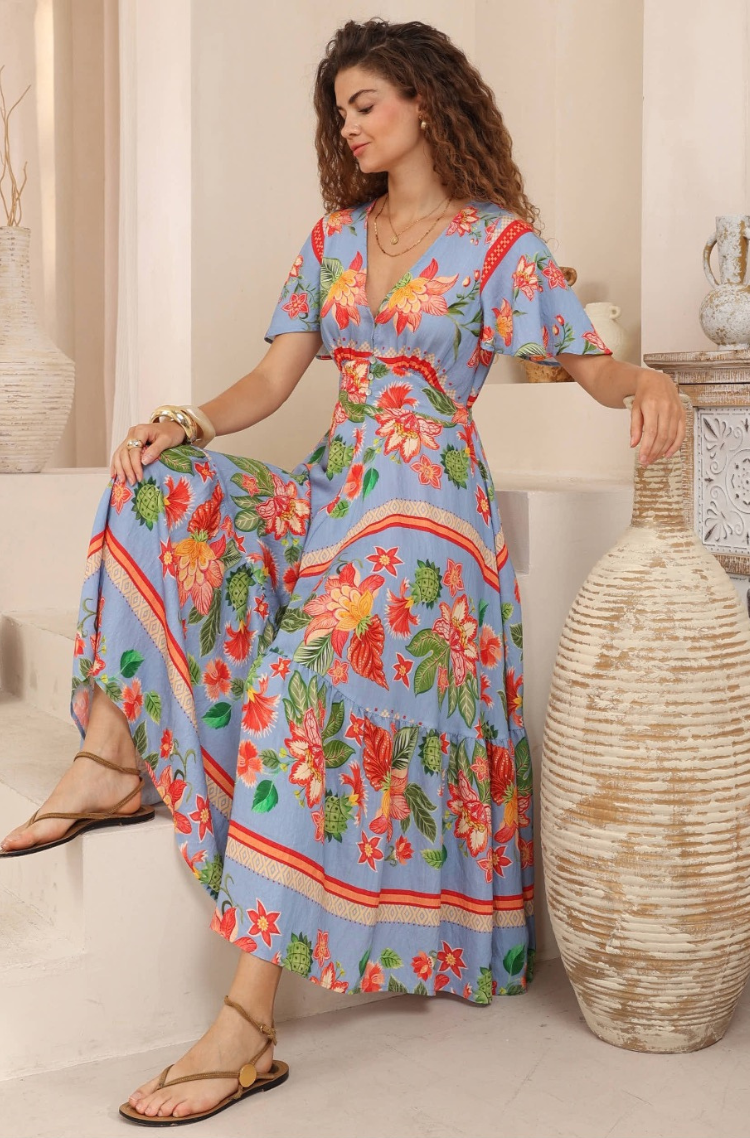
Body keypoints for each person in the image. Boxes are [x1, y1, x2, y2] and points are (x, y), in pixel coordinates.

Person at [0, 16, 684, 1127]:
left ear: (425, 100)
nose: (349, 126)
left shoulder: (501, 245)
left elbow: (590, 366)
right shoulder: (332, 240)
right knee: (151, 483)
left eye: (365, 104)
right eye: (340, 112)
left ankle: (248, 1023)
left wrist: (646, 381)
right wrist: (183, 420)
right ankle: (111, 757)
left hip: (430, 519)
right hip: (336, 492)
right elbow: (272, 383)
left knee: (298, 682)